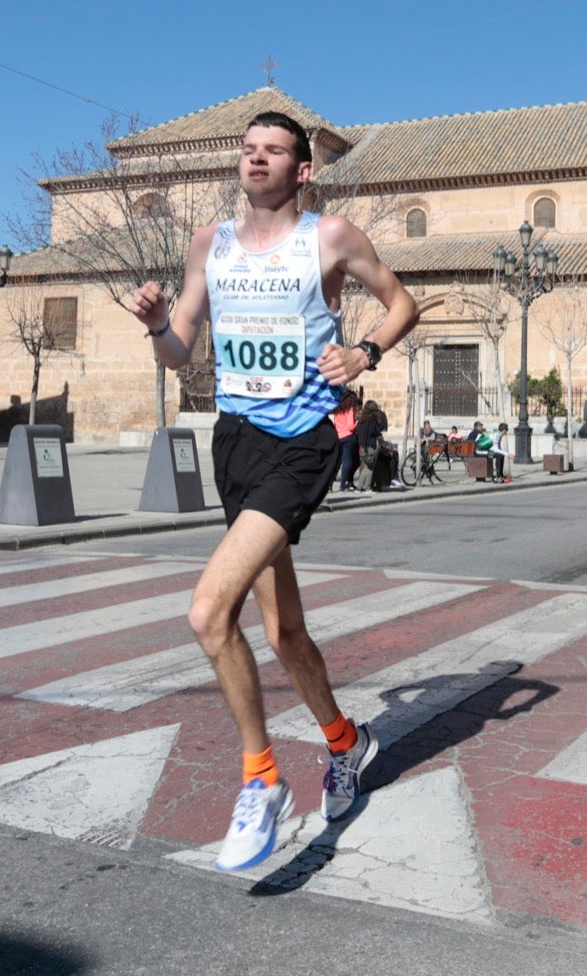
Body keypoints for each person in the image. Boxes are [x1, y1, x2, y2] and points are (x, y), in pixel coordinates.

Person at [125, 110, 418, 872]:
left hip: (303, 442)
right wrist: (158, 324)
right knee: (284, 632)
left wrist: (363, 351)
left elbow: (402, 303)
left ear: (303, 168)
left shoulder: (331, 236)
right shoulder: (208, 244)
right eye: (248, 149)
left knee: (206, 610)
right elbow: (178, 349)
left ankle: (261, 778)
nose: (256, 159)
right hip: (237, 443)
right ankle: (347, 742)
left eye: (274, 150)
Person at [332, 389, 361, 491]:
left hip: (338, 437)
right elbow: (350, 427)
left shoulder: (337, 410)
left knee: (338, 461)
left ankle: (330, 485)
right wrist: (357, 422)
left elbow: (335, 424)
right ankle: (343, 484)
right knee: (347, 461)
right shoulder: (349, 410)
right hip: (348, 437)